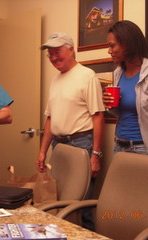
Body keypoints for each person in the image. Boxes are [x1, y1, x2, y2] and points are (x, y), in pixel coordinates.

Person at [36, 32, 105, 230]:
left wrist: (96, 155)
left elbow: (98, 116)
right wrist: (42, 151)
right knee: (58, 200)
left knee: (81, 204)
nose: (54, 58)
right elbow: (51, 117)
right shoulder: (56, 79)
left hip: (81, 145)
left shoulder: (87, 76)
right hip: (59, 146)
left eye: (58, 52)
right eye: (50, 54)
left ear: (71, 49)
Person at [103, 20, 148, 156]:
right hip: (119, 145)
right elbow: (121, 113)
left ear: (127, 45)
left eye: (112, 46)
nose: (109, 51)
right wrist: (109, 104)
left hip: (143, 149)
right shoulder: (118, 73)